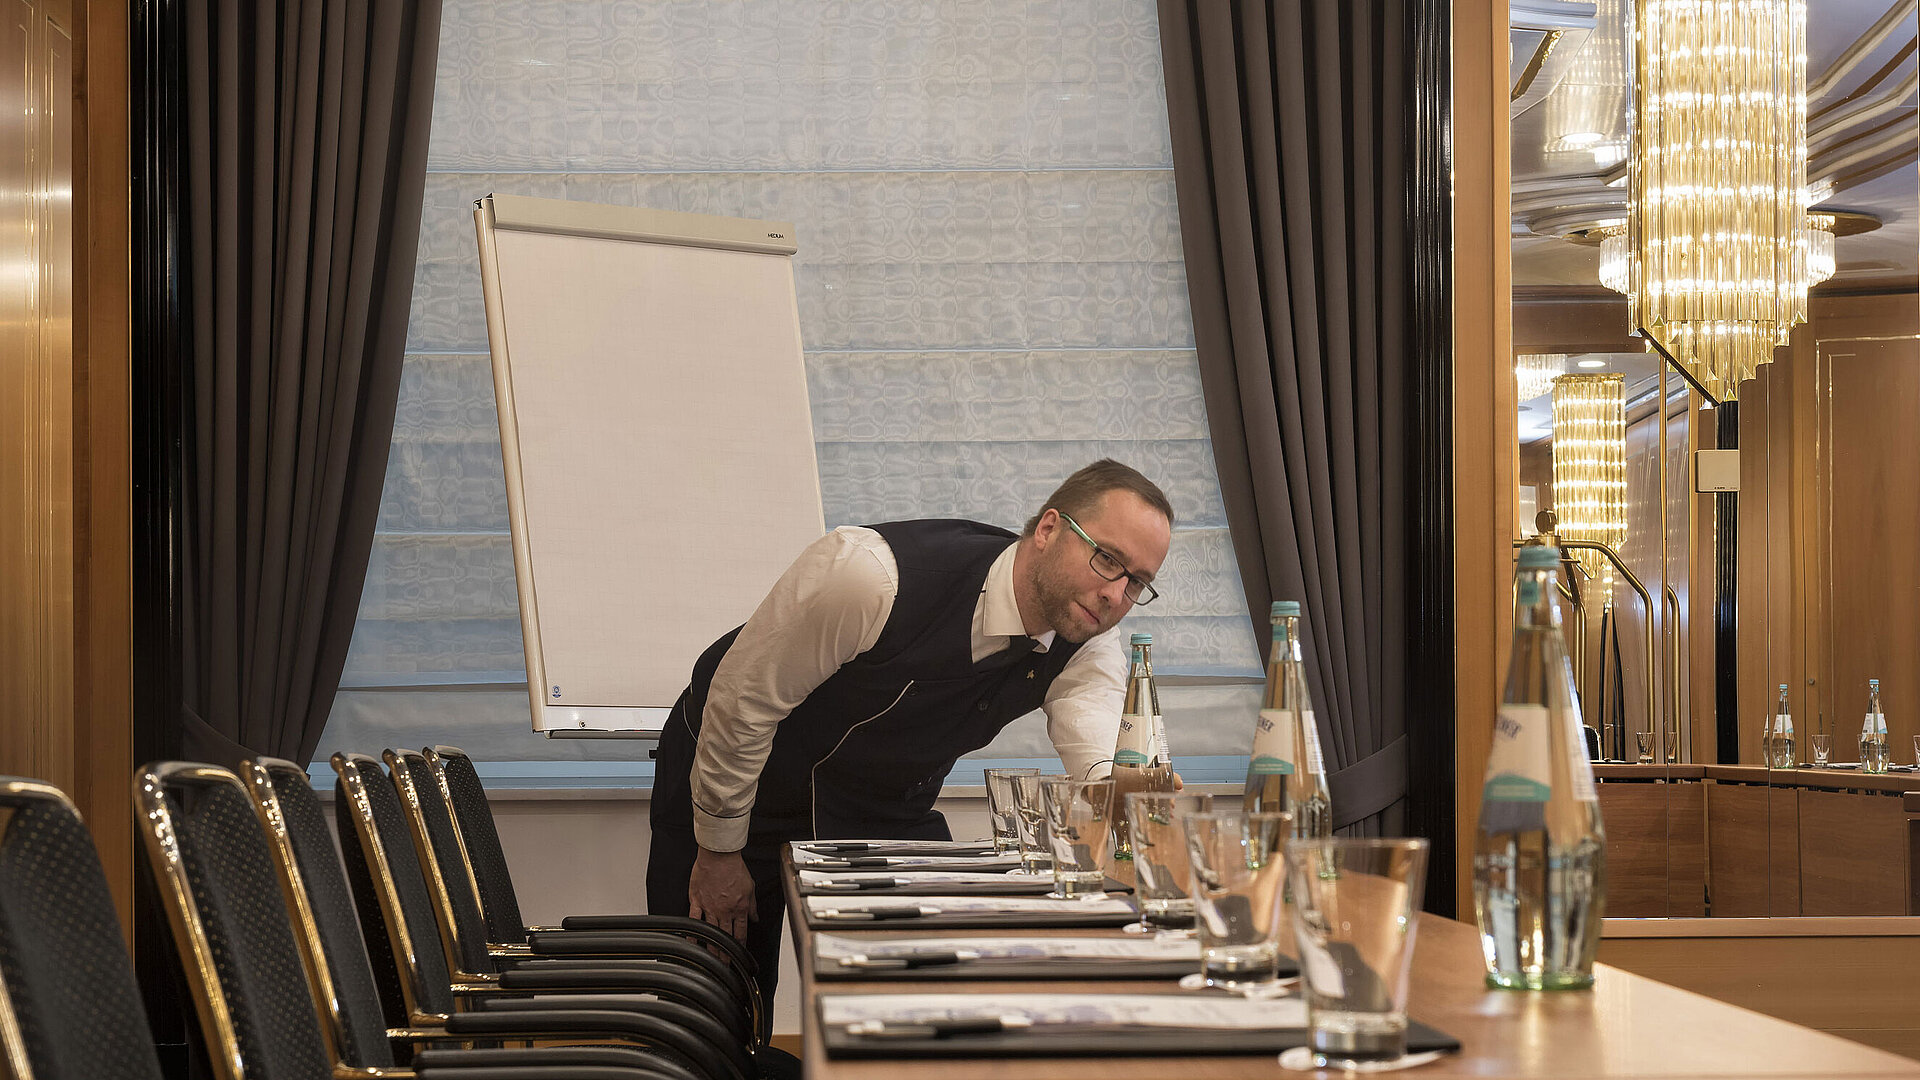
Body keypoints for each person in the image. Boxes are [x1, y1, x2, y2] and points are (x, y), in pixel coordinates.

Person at [646, 459, 1175, 998]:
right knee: (716, 997)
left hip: (879, 806)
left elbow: (1102, 753)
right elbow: (741, 704)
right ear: (1048, 530)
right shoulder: (868, 575)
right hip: (741, 785)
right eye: (1107, 560)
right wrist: (716, 853)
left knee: (933, 978)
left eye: (1138, 583)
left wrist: (1123, 789)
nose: (1117, 595)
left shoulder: (1086, 643)